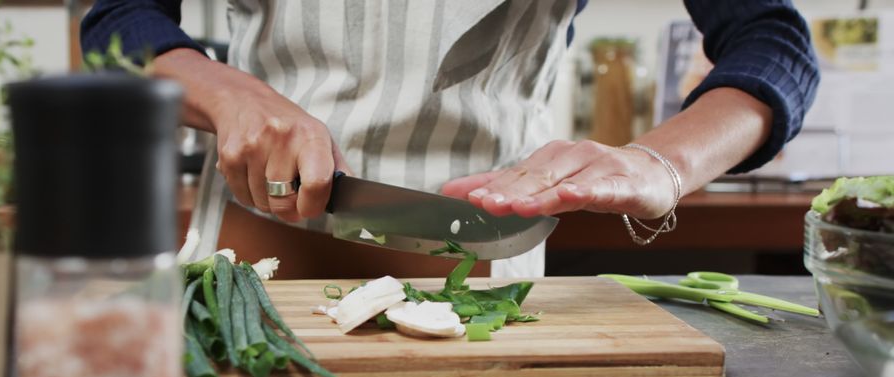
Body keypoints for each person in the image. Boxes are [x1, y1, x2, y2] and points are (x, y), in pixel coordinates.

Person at [82, 1, 819, 278]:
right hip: (253, 244)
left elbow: (773, 43)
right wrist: (227, 93)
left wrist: (661, 161)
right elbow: (117, 16)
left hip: (479, 267)